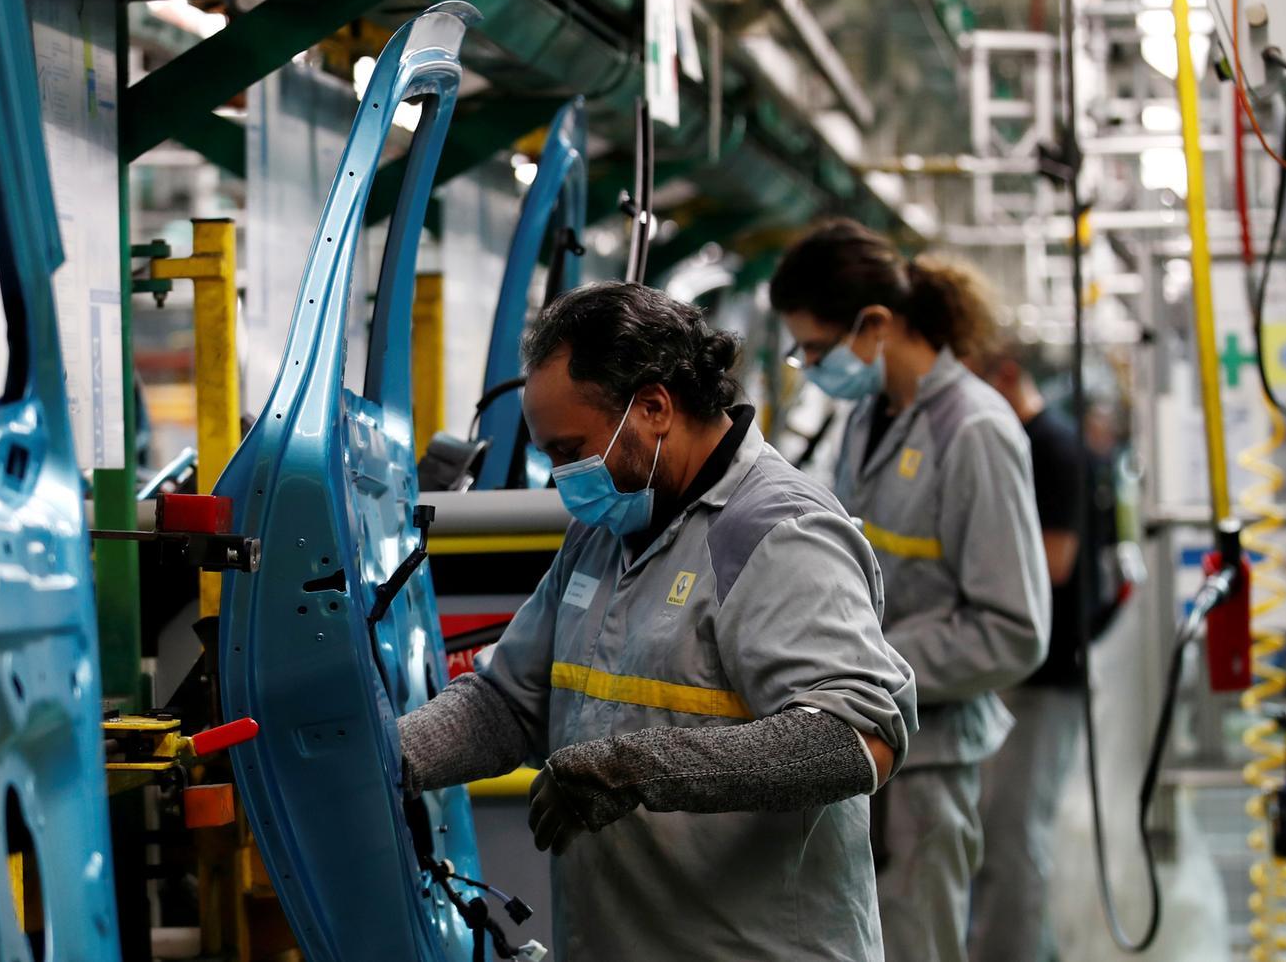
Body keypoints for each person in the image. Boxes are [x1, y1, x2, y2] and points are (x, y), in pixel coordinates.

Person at [396, 282, 916, 960]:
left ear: (653, 407)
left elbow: (856, 739)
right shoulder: (606, 529)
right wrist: (382, 756)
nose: (562, 476)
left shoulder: (777, 533)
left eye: (569, 448)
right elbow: (508, 704)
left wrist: (636, 768)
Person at [769, 220, 1050, 962]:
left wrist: (870, 664)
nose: (811, 366)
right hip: (864, 742)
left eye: (818, 350)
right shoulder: (868, 416)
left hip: (929, 763)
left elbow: (1013, 629)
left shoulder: (976, 432)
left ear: (878, 325)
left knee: (919, 943)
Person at [966, 341, 1121, 962]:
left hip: (1047, 673)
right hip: (1016, 672)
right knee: (1000, 834)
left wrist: (966, 560)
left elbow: (1055, 562)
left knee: (1014, 836)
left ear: (1007, 374)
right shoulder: (1025, 444)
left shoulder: (1053, 449)